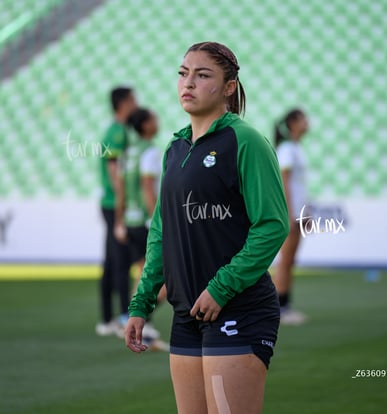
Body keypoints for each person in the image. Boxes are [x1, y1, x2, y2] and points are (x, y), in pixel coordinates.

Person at [125, 41, 289, 413]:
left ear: (229, 86)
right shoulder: (175, 150)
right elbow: (161, 234)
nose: (189, 83)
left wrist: (220, 287)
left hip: (238, 309)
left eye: (202, 75)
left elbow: (272, 226)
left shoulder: (246, 142)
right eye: (184, 73)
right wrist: (142, 304)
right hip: (186, 314)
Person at [115, 107, 168, 349]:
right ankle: (135, 319)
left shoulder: (129, 152)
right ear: (145, 125)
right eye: (154, 118)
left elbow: (122, 189)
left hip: (131, 219)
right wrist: (158, 219)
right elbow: (148, 186)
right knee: (159, 277)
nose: (157, 122)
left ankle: (135, 320)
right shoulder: (150, 152)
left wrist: (120, 220)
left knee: (143, 272)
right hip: (147, 221)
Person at [96, 86, 137, 337]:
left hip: (112, 204)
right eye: (133, 100)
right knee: (120, 262)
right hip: (115, 205)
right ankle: (122, 318)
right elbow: (115, 174)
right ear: (123, 103)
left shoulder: (117, 130)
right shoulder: (118, 132)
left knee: (112, 262)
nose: (136, 104)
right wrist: (123, 210)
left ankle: (108, 318)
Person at [271, 109, 309, 325]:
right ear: (293, 123)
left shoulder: (295, 148)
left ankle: (285, 304)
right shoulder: (286, 149)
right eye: (303, 119)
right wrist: (289, 213)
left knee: (290, 259)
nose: (307, 123)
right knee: (285, 260)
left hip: (298, 212)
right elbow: (283, 181)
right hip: (290, 213)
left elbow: (299, 185)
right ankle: (280, 306)